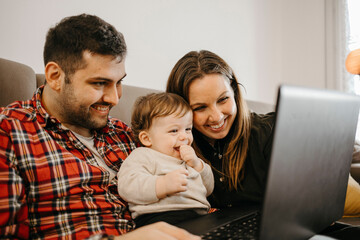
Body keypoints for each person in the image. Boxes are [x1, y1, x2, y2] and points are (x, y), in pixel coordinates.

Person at [0, 14, 200, 240]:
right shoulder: (10, 131)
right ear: (55, 76)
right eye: (100, 83)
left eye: (119, 82)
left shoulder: (124, 133)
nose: (115, 99)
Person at [166, 49, 360, 239]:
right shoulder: (173, 147)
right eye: (200, 107)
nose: (217, 117)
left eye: (223, 99)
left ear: (234, 92)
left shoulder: (270, 130)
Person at [117, 92, 214, 227]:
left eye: (187, 129)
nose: (184, 137)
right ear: (147, 138)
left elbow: (208, 189)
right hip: (159, 217)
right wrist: (162, 184)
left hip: (199, 215)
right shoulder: (143, 155)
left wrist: (197, 164)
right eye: (174, 131)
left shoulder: (189, 159)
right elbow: (127, 187)